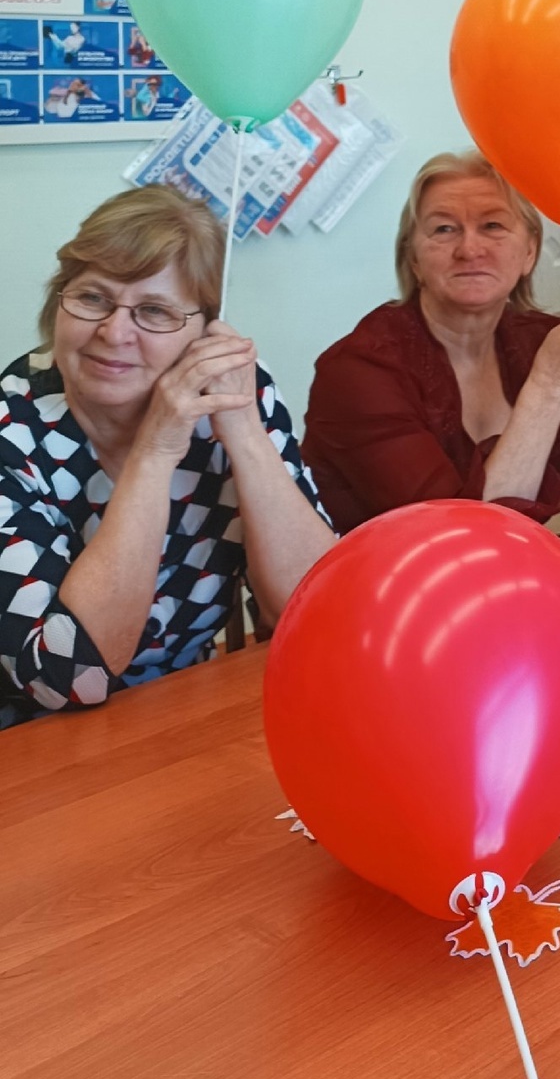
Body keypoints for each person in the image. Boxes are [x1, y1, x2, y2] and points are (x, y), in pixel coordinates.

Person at [0, 188, 331, 731]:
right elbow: (64, 676)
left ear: (204, 331)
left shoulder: (234, 393)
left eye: (153, 311)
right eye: (92, 299)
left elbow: (318, 616)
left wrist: (245, 431)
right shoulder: (13, 430)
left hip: (181, 716)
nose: (114, 332)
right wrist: (156, 450)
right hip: (33, 745)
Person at [302, 151, 560, 536]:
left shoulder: (539, 338)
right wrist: (549, 385)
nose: (469, 250)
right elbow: (463, 542)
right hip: (382, 586)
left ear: (529, 253)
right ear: (414, 260)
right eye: (444, 229)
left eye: (492, 225)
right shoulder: (357, 369)